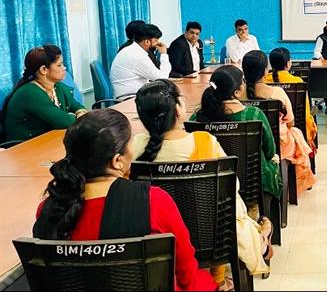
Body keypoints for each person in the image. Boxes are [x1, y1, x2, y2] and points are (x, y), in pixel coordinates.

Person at [32, 109, 217, 291]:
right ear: (117, 161)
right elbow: (187, 275)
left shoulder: (49, 209)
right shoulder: (154, 201)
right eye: (130, 144)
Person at [130, 79, 273, 285]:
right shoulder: (204, 141)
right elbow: (231, 188)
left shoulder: (136, 146)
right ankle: (255, 246)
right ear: (178, 109)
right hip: (212, 237)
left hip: (158, 238)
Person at [192, 66, 283, 204]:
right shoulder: (254, 115)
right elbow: (270, 151)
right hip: (253, 185)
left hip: (210, 187)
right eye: (243, 81)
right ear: (237, 92)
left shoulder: (197, 118)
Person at [243, 50, 316, 194]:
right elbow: (291, 122)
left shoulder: (238, 94)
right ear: (265, 71)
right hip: (278, 145)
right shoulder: (277, 93)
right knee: (296, 133)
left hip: (247, 145)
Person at [2, 45, 87, 142]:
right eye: (59, 65)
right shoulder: (30, 93)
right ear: (44, 70)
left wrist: (79, 113)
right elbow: (64, 122)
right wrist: (76, 116)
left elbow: (78, 106)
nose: (64, 68)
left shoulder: (58, 86)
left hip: (50, 139)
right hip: (25, 145)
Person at [266, 47, 318, 153]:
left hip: (270, 128)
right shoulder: (297, 81)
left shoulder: (264, 82)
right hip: (295, 126)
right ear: (288, 63)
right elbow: (305, 112)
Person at [110, 23, 171, 97]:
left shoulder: (132, 49)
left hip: (133, 94)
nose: (158, 43)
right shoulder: (138, 56)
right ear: (147, 42)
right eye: (156, 40)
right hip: (129, 98)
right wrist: (164, 54)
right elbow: (163, 79)